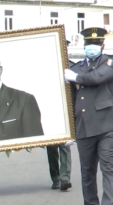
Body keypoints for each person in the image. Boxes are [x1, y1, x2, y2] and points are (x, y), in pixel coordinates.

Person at [64, 27, 113, 205]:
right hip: (84, 127)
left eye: (96, 44)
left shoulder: (109, 62)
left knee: (109, 166)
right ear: (83, 46)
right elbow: (69, 99)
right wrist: (69, 129)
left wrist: (76, 78)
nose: (93, 47)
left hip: (108, 125)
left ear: (102, 45)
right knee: (87, 171)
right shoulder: (76, 67)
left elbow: (97, 78)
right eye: (89, 44)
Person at [46, 40, 74, 191]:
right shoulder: (45, 66)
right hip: (50, 113)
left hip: (66, 113)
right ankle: (55, 177)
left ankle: (64, 178)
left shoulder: (71, 67)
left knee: (65, 146)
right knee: (51, 149)